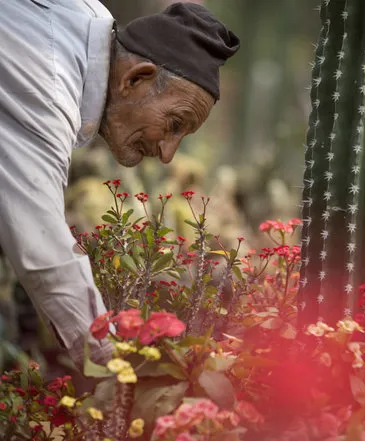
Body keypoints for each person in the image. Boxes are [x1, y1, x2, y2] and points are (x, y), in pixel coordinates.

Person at [0, 1, 239, 369]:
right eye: (175, 124)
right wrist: (113, 367)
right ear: (135, 78)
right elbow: (44, 254)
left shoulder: (88, 18)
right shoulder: (49, 92)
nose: (167, 155)